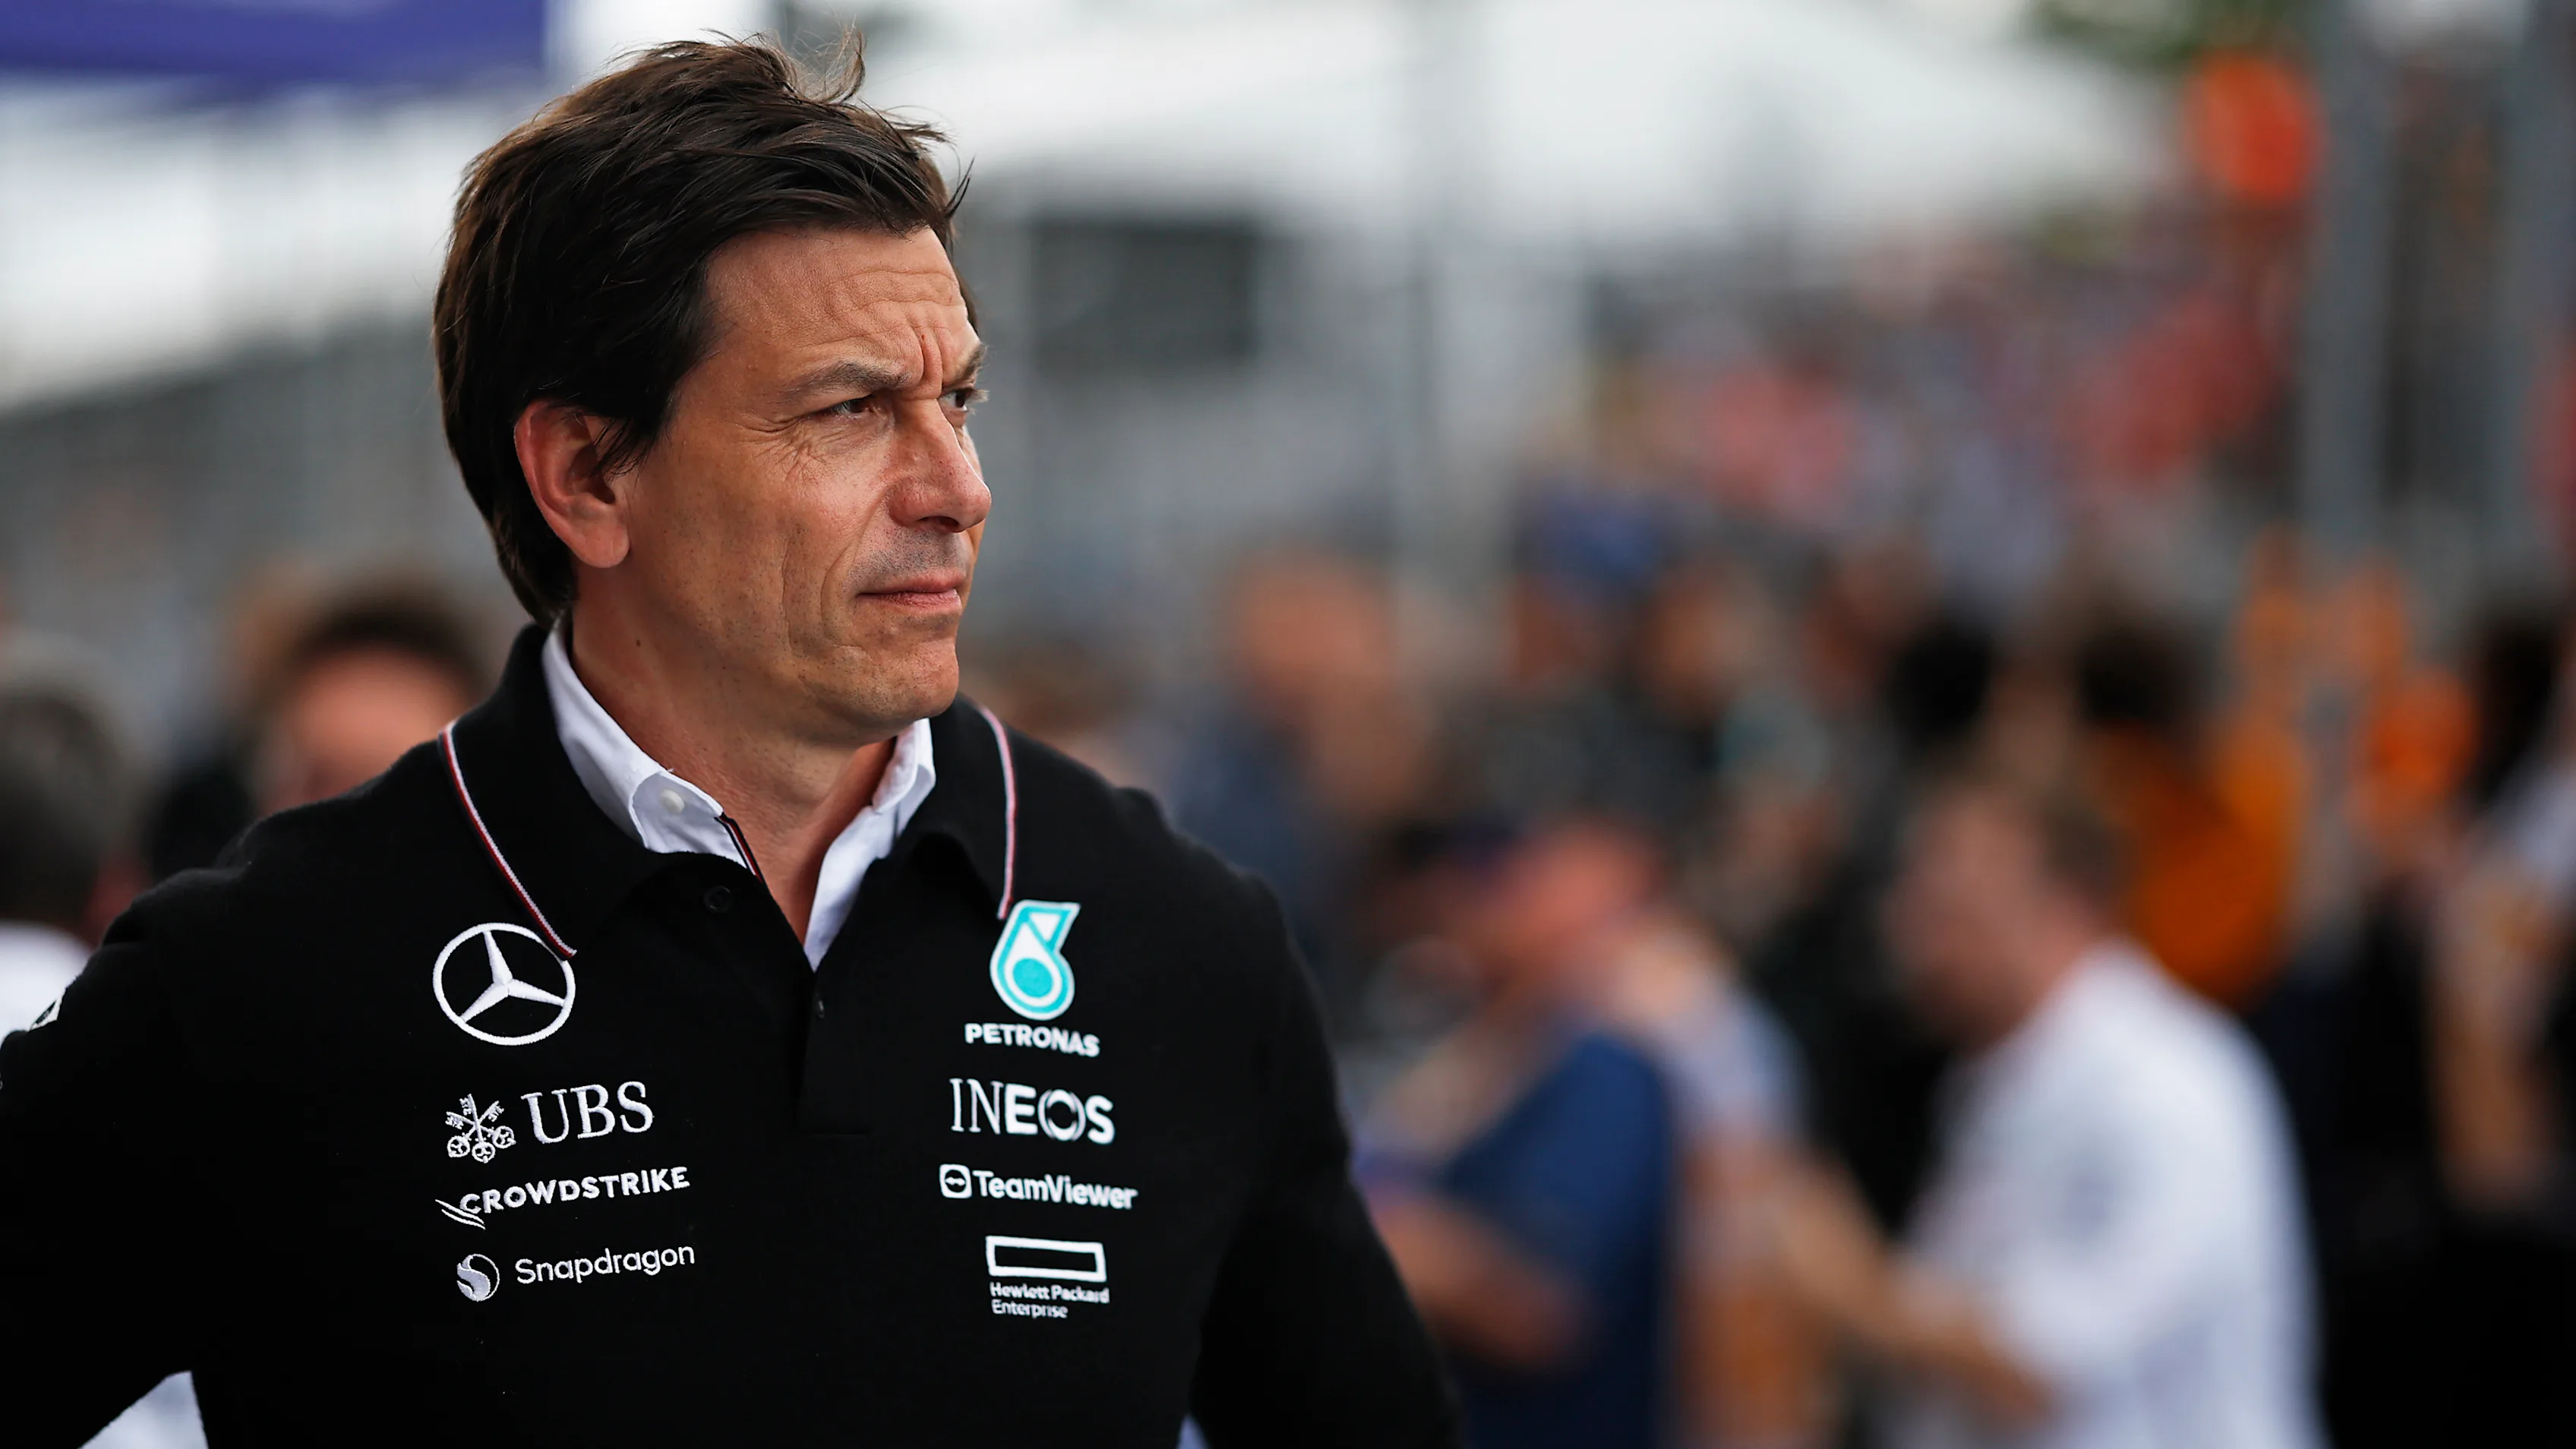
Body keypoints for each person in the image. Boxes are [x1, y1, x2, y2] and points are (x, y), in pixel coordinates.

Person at [0, 39, 1453, 1447]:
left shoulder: (1180, 947)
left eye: (955, 398)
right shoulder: (263, 979)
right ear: (584, 473)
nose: (959, 488)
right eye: (851, 408)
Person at [1763, 769, 2322, 1449]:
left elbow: (2046, 1367)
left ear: (2069, 903)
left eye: (1955, 908)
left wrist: (1856, 1290)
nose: (1914, 937)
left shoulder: (2169, 1084)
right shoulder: (1994, 1076)